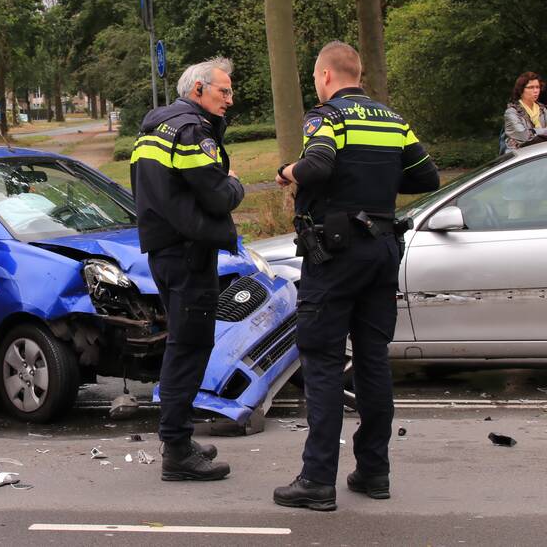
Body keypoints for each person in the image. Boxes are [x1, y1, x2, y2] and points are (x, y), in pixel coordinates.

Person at [273, 42, 440, 511]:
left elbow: (317, 165)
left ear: (326, 75)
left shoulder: (327, 117)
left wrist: (287, 171)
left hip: (335, 255)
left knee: (323, 362)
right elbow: (427, 178)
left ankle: (317, 480)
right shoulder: (392, 120)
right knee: (372, 362)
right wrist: (377, 181)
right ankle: (373, 471)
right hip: (382, 250)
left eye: (315, 77)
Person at [129, 57, 244, 482]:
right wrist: (235, 182)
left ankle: (179, 440)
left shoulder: (152, 129)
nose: (229, 100)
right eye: (223, 91)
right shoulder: (192, 130)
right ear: (198, 90)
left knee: (183, 344)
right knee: (190, 348)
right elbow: (216, 195)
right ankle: (177, 450)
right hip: (190, 253)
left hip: (165, 251)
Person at [503, 72, 547, 151]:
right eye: (531, 87)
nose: (536, 91)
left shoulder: (543, 109)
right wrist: (543, 132)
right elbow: (524, 136)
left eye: (537, 87)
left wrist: (534, 132)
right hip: (522, 155)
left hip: (540, 152)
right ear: (521, 89)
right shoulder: (511, 112)